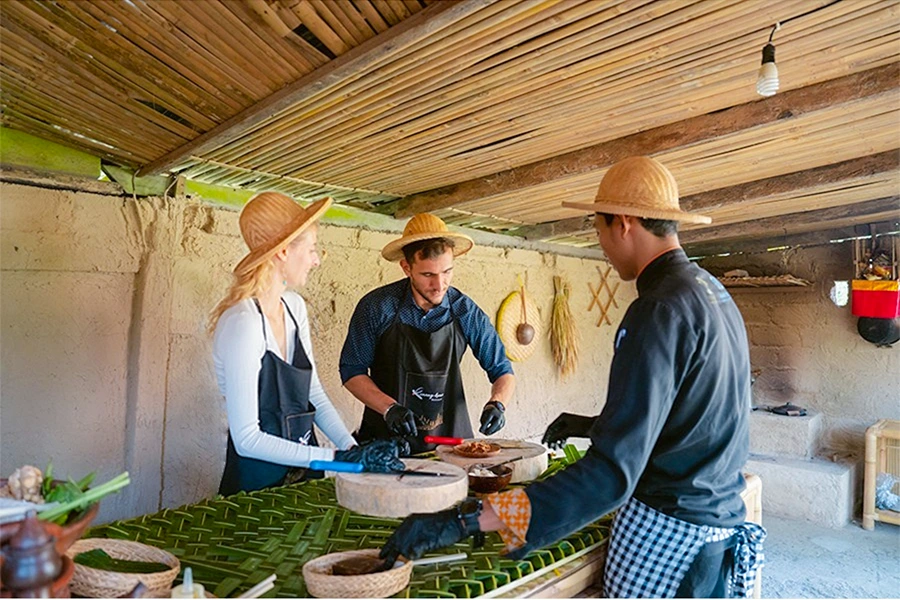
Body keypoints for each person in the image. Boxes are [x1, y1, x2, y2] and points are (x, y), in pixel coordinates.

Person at [378, 157, 766, 598]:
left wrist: (467, 519)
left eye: (597, 227)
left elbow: (611, 476)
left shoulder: (657, 310)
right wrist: (593, 425)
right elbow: (692, 420)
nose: (598, 241)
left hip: (670, 533)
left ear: (623, 223)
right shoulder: (710, 292)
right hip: (715, 530)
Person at [210, 192, 405, 496]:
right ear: (284, 252)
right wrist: (337, 459)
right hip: (254, 490)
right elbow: (247, 438)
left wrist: (353, 448)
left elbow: (313, 392)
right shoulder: (244, 323)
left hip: (302, 478)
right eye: (312, 249)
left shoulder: (293, 307)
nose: (316, 260)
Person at [339, 213, 516, 455]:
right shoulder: (377, 307)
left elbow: (502, 369)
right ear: (406, 268)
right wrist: (390, 408)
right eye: (428, 275)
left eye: (447, 272)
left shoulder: (465, 311)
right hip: (387, 442)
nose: (440, 284)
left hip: (452, 447)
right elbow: (351, 370)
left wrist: (498, 403)